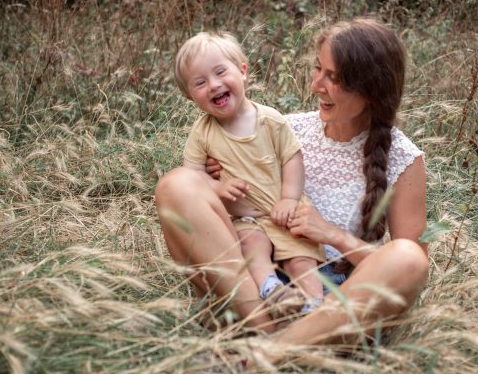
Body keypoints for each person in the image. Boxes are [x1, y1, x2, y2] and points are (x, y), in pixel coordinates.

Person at [155, 17, 429, 348]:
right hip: (253, 284)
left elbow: (409, 279)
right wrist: (220, 192)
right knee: (177, 184)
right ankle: (266, 332)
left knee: (409, 258)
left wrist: (333, 235)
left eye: (334, 78)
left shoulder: (403, 158)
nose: (315, 86)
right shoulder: (282, 127)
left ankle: (269, 353)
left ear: (371, 89)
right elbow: (209, 206)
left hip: (331, 302)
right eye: (318, 69)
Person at [172, 32, 326, 321]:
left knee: (301, 259)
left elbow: (292, 157)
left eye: (220, 73)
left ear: (242, 71)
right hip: (245, 220)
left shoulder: (269, 119)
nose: (214, 85)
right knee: (250, 249)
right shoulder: (202, 132)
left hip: (286, 212)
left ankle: (314, 306)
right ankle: (273, 291)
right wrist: (218, 186)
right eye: (200, 82)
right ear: (189, 96)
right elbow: (191, 176)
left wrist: (290, 198)